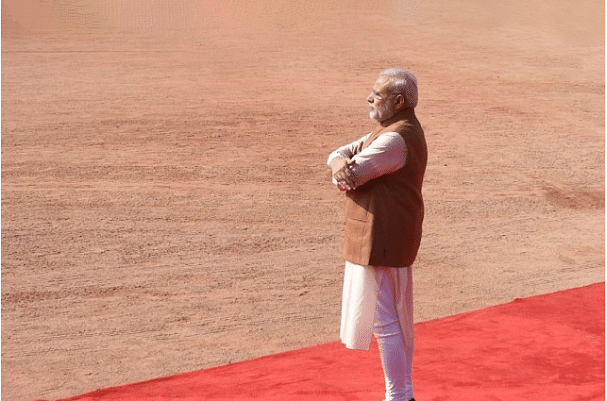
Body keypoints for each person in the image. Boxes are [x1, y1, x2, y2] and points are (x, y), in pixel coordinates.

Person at [327, 68, 427, 401]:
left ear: (398, 102)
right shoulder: (393, 131)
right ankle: (402, 394)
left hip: (382, 238)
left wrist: (341, 168)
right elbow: (338, 154)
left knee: (387, 323)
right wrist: (338, 162)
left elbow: (348, 176)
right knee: (396, 318)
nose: (370, 99)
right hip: (390, 234)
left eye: (377, 95)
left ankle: (399, 396)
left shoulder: (394, 139)